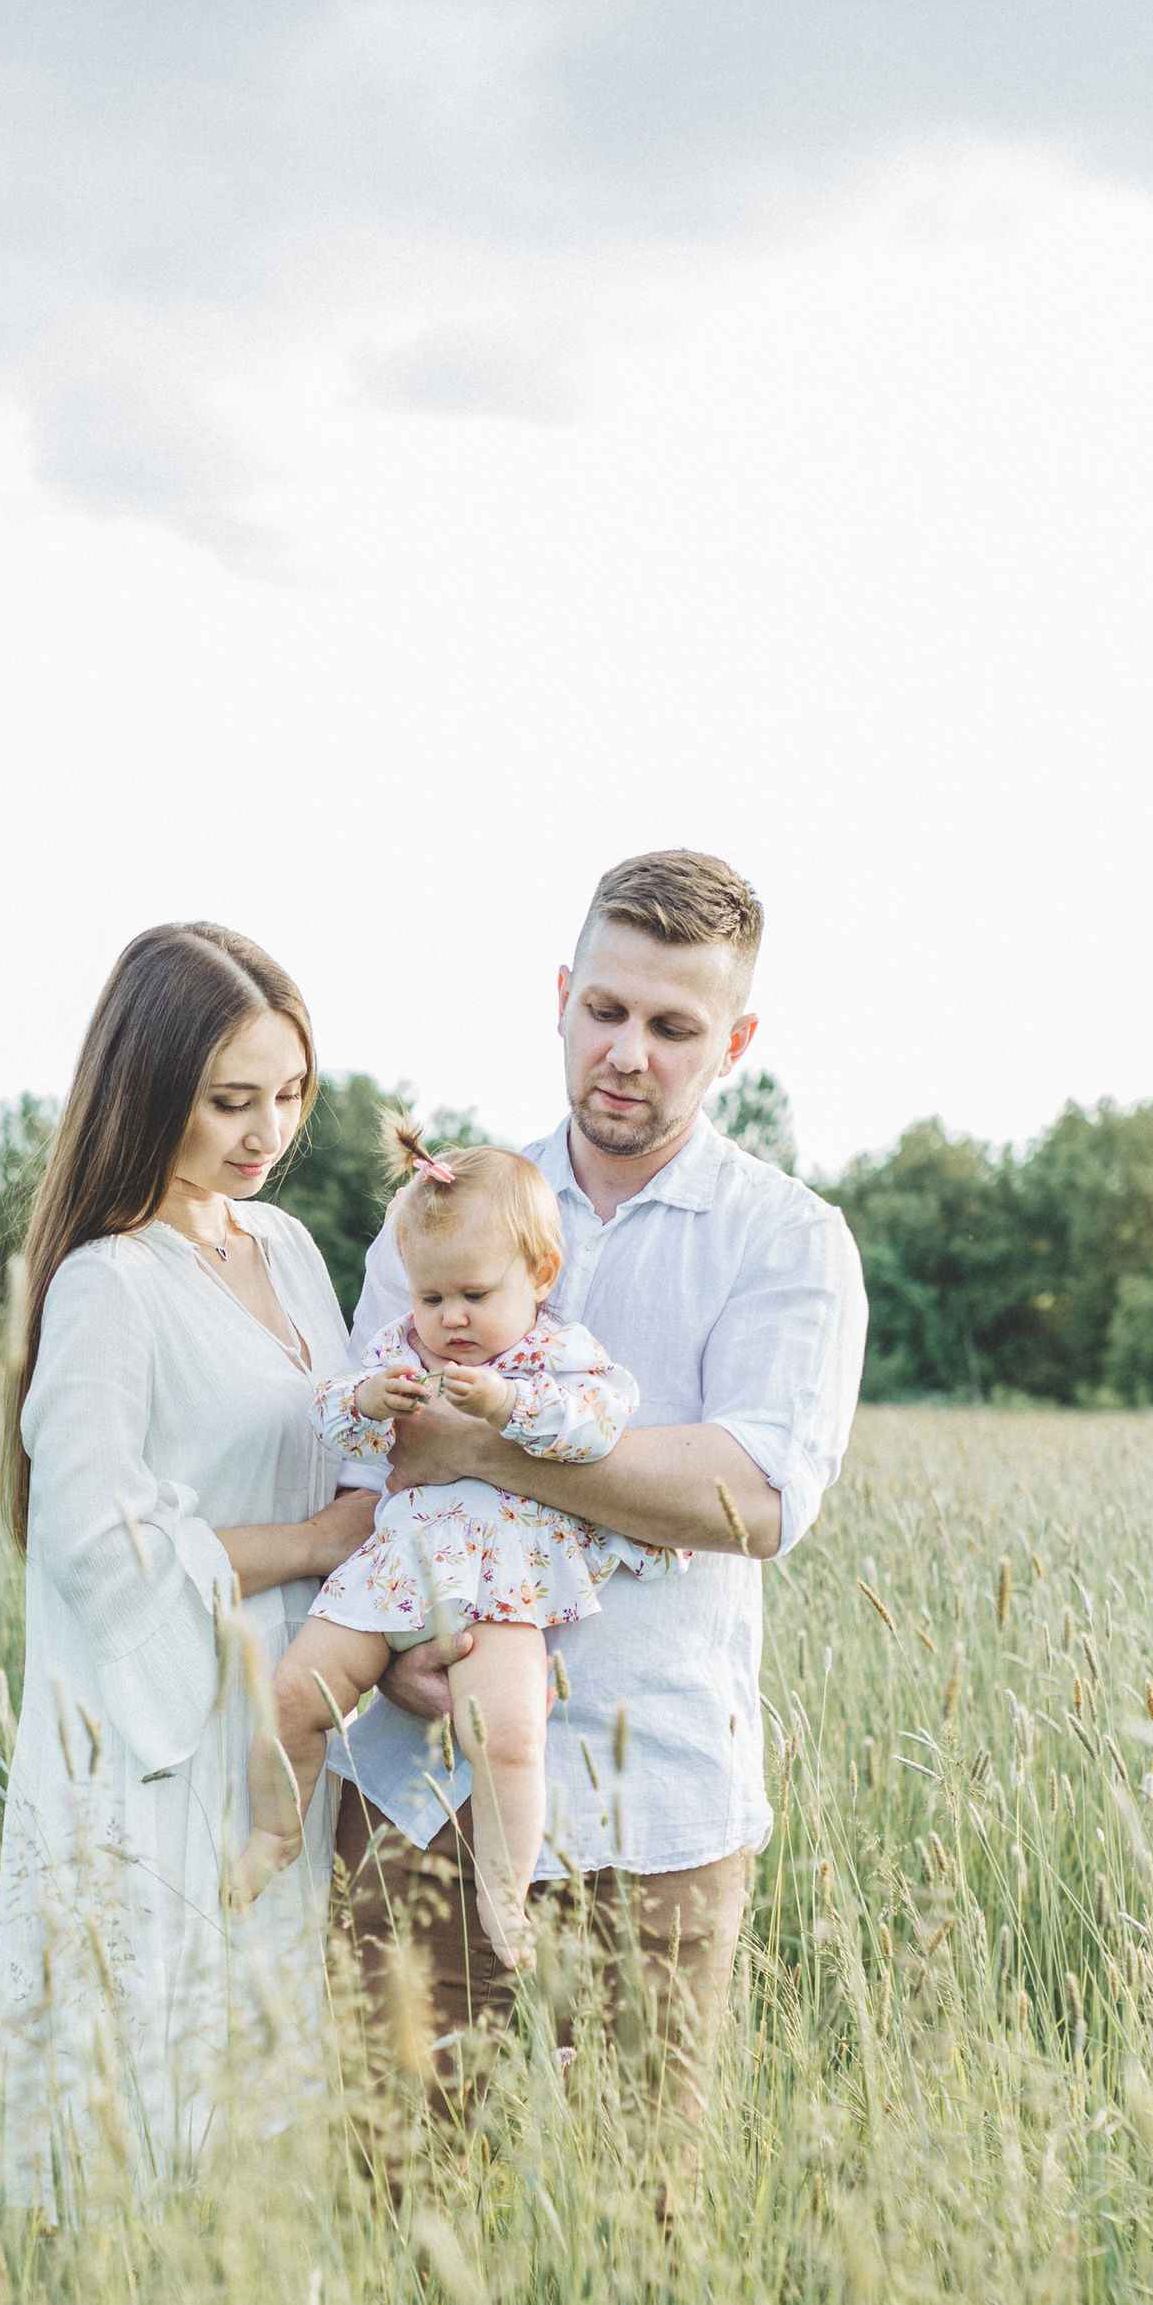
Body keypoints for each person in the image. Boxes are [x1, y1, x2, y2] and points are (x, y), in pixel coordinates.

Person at [332, 848, 867, 2155]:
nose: (628, 1053)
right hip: (423, 1790)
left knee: (640, 2221)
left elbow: (750, 1496)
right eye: (606, 1010)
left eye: (673, 1027)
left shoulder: (786, 1239)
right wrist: (393, 1661)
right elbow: (362, 1473)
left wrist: (488, 1451)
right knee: (393, 2197)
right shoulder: (443, 1210)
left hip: (658, 1809)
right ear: (562, 997)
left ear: (733, 1043)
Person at [0, 923, 375, 2213]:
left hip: (289, 1731)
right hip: (162, 1734)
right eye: (229, 1101)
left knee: (267, 2092)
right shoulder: (108, 1284)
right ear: (149, 1087)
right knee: (145, 2082)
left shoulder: (290, 1250)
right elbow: (96, 1541)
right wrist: (314, 1543)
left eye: (290, 1094)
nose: (267, 1132)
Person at [231, 1122, 680, 1966]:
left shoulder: (556, 1355)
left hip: (503, 1580)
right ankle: (274, 1832)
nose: (452, 1318)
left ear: (540, 1275)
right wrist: (369, 1401)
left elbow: (597, 1428)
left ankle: (504, 1893)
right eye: (431, 1298)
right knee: (295, 1694)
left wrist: (507, 1407)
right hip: (395, 1569)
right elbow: (331, 1421)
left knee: (508, 1736)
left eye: (474, 1294)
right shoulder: (401, 1351)